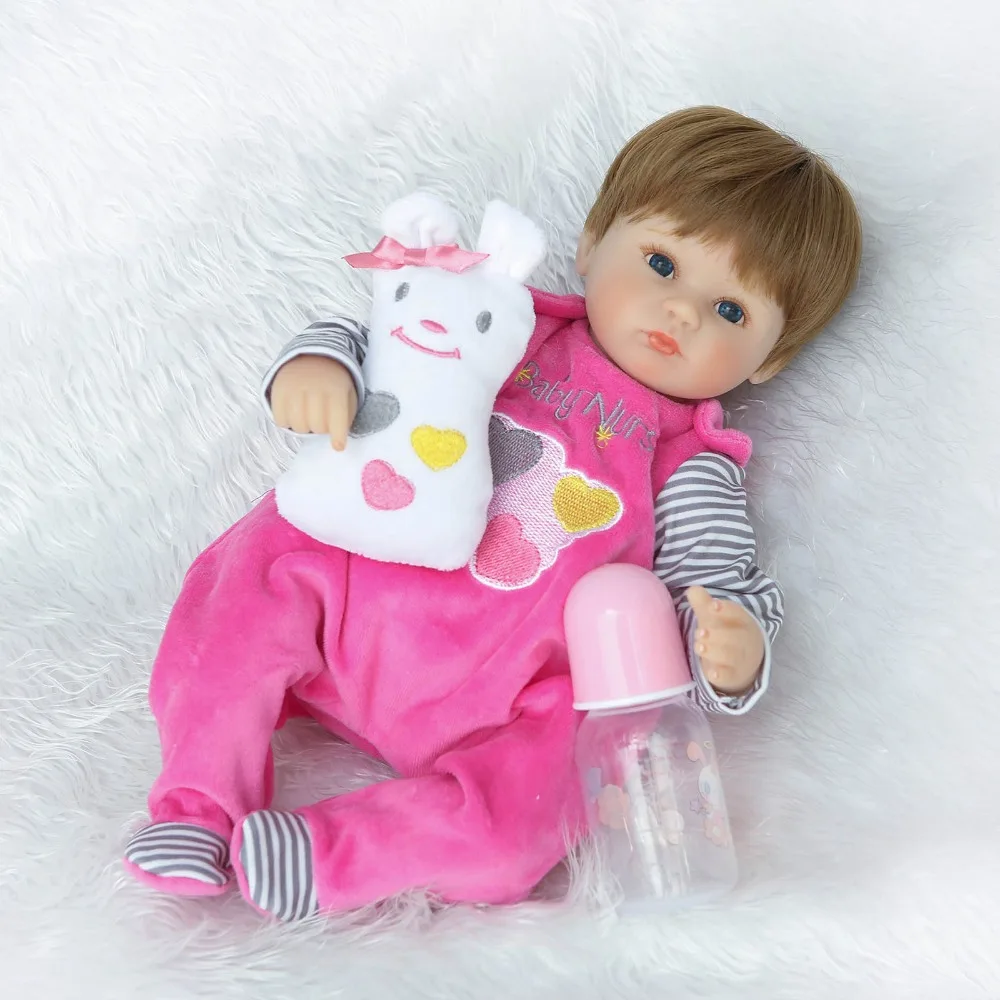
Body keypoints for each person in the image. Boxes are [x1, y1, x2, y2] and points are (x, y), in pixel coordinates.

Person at [123, 106, 862, 921]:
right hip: (342, 594)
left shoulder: (689, 461)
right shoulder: (504, 320)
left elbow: (712, 592)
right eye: (661, 263)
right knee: (246, 579)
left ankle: (328, 856)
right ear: (591, 244)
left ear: (772, 357)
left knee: (542, 811)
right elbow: (383, 337)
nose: (681, 311)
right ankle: (196, 806)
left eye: (730, 311)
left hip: (499, 698)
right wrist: (320, 368)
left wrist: (733, 647)